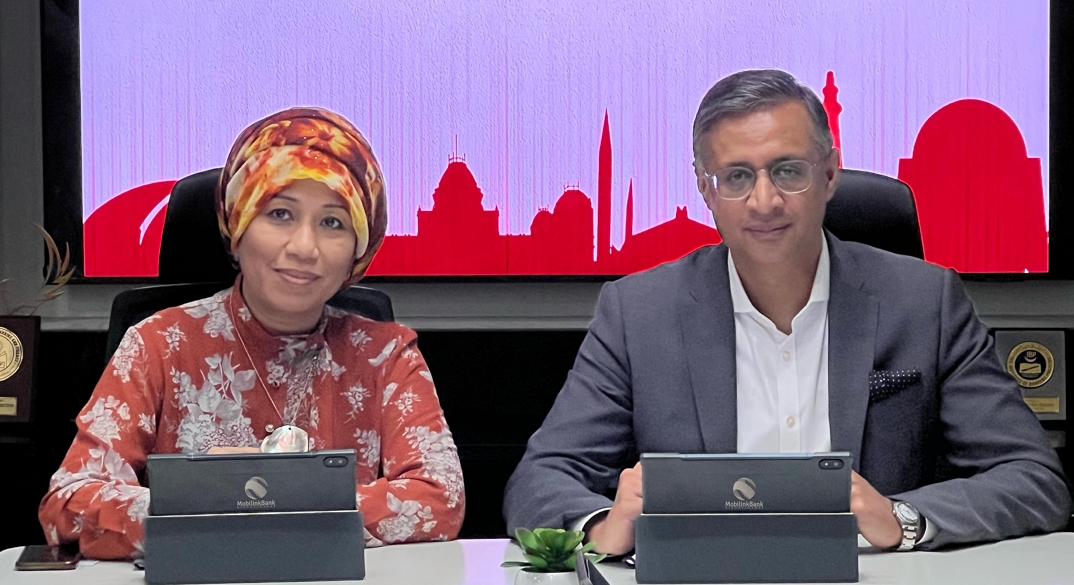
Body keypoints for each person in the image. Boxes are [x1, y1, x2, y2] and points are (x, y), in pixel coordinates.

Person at [503, 69, 1072, 553]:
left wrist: (900, 518)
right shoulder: (639, 313)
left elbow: (1034, 479)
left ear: (829, 174)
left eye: (788, 170)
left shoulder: (925, 301)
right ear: (706, 190)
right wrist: (603, 525)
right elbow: (540, 481)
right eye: (737, 177)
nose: (765, 201)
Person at [39, 107, 465, 560]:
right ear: (238, 227)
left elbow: (440, 499)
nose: (304, 247)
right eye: (280, 213)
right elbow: (69, 504)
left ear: (357, 252)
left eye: (333, 222)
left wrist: (255, 505)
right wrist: (225, 504)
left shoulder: (387, 355)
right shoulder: (157, 343)